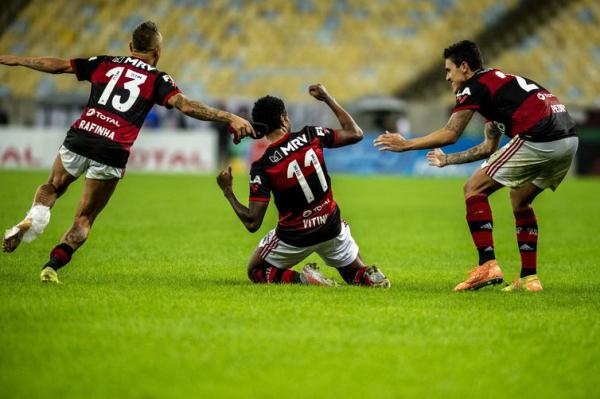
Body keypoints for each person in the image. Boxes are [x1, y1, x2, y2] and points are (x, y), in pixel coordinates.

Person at [1, 21, 255, 283]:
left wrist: (19, 60)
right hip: (112, 149)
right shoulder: (158, 79)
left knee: (52, 187)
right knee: (84, 219)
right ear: (157, 51)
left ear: (131, 47)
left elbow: (59, 65)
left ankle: (33, 217)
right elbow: (187, 106)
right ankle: (52, 266)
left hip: (82, 136)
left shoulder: (105, 62)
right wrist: (228, 116)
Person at [374, 40, 577, 292]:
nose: (447, 78)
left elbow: (451, 133)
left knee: (473, 188)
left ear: (464, 67)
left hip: (540, 136)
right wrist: (447, 160)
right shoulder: (498, 87)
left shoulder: (473, 87)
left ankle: (487, 265)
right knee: (520, 199)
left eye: (449, 70)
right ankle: (529, 278)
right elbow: (488, 148)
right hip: (568, 140)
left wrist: (407, 144)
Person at [216, 84, 391, 288]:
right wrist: (327, 98)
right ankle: (369, 276)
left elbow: (252, 222)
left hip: (295, 237)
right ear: (283, 118)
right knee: (353, 273)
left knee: (256, 270)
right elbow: (355, 133)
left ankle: (303, 279)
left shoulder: (263, 166)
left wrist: (228, 191)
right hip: (330, 226)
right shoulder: (311, 135)